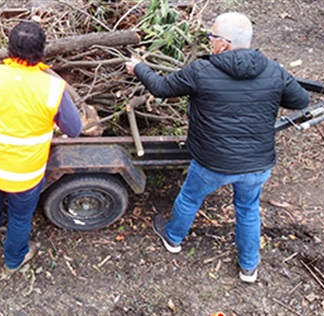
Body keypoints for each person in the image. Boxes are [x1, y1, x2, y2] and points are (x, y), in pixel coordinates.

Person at [125, 12, 309, 282]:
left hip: (213, 162)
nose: (210, 42)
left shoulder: (202, 71)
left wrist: (139, 67)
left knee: (190, 198)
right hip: (257, 164)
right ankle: (249, 267)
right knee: (247, 209)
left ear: (223, 43)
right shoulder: (273, 70)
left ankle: (173, 237)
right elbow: (300, 100)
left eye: (212, 37)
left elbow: (161, 88)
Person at [0, 21, 82, 275]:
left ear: (9, 49)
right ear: (42, 52)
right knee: (20, 217)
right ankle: (14, 260)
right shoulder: (52, 88)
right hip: (25, 175)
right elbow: (74, 129)